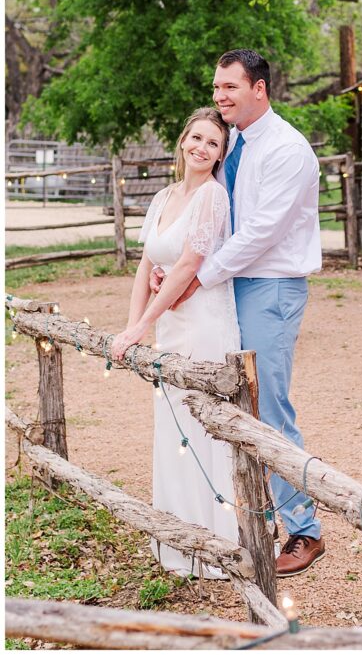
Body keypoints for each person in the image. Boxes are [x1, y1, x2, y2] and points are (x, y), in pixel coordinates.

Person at [152, 49, 325, 577]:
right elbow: (210, 224)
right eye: (216, 87)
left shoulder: (288, 151)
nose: (219, 96)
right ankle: (252, 515)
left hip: (269, 287)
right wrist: (175, 269)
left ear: (259, 89)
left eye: (229, 87)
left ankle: (305, 529)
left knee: (268, 407)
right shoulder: (233, 148)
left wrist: (195, 279)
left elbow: (257, 235)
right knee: (233, 401)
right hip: (229, 286)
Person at [112, 107, 238, 579]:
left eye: (213, 144)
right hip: (168, 322)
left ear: (220, 155)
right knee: (173, 422)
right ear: (183, 139)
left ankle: (218, 544)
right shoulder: (163, 197)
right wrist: (132, 327)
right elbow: (146, 267)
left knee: (204, 423)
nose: (202, 149)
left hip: (202, 322)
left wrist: (144, 324)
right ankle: (177, 540)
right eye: (197, 138)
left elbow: (186, 267)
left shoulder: (213, 197)